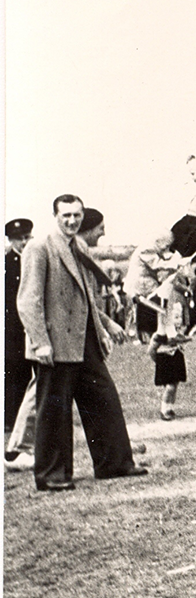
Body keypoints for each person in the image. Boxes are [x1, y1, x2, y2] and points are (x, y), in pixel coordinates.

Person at [17, 194, 146, 491]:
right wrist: (41, 342)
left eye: (77, 215)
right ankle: (52, 475)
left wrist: (108, 324)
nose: (72, 221)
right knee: (54, 410)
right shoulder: (39, 247)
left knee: (104, 400)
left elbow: (87, 298)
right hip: (54, 343)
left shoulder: (80, 246)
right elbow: (28, 301)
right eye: (66, 216)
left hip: (84, 340)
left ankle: (114, 464)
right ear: (55, 216)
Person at [5, 218, 35, 470]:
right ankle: (11, 420)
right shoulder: (6, 264)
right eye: (19, 238)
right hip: (11, 328)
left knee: (29, 374)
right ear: (10, 240)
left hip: (29, 325)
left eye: (27, 237)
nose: (24, 242)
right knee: (14, 372)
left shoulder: (33, 259)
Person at [149, 297, 189, 421]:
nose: (179, 320)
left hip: (175, 358)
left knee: (175, 385)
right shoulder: (161, 334)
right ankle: (164, 409)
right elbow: (151, 350)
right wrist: (157, 360)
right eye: (176, 317)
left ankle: (170, 408)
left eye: (180, 317)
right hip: (166, 359)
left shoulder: (176, 333)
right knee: (170, 386)